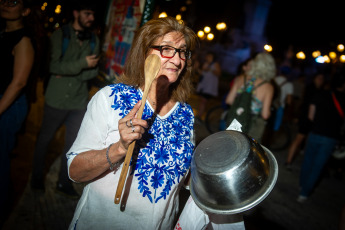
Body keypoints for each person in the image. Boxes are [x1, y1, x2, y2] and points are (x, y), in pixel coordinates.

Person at [66, 17, 197, 229]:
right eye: (166, 49)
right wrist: (119, 148)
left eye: (182, 51)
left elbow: (184, 177)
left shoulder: (186, 114)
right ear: (145, 52)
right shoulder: (109, 98)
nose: (176, 59)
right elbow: (75, 172)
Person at [31, 0, 100, 198]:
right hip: (56, 99)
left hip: (78, 102)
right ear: (76, 13)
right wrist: (81, 64)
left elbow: (93, 71)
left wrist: (71, 70)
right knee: (45, 139)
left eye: (93, 15)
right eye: (87, 13)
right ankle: (36, 179)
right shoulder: (60, 35)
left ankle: (64, 182)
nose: (91, 18)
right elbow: (53, 67)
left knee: (73, 145)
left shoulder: (93, 39)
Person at [0, 0, 35, 222]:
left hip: (8, 105)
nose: (5, 4)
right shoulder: (3, 32)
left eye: (14, 2)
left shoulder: (23, 40)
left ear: (25, 11)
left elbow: (19, 82)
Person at [298, 72, 345, 202]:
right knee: (318, 166)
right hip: (330, 137)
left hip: (315, 132)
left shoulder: (320, 94)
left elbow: (311, 116)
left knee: (307, 161)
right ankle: (304, 193)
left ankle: (302, 185)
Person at [225, 52, 276, 142]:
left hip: (235, 121)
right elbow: (265, 115)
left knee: (230, 147)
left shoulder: (241, 78)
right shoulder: (268, 87)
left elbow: (229, 101)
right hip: (252, 127)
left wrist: (242, 106)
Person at [285, 72, 324, 169]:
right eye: (319, 78)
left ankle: (291, 159)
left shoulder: (316, 90)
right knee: (298, 139)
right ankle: (288, 161)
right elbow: (306, 106)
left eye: (322, 78)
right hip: (306, 119)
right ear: (314, 79)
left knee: (301, 140)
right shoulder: (312, 90)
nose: (320, 80)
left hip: (308, 119)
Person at [195, 51, 222, 120]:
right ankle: (199, 115)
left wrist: (210, 69)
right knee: (201, 100)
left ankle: (199, 116)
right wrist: (197, 68)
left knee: (204, 100)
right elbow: (202, 73)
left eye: (209, 56)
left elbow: (218, 74)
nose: (207, 57)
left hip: (210, 86)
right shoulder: (205, 64)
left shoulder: (215, 64)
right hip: (203, 85)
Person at [272, 66, 294, 131]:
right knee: (276, 127)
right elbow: (289, 101)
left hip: (270, 105)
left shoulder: (273, 80)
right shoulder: (289, 84)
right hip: (280, 106)